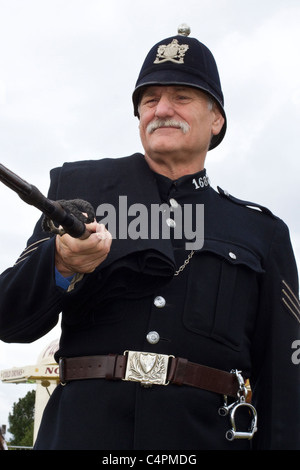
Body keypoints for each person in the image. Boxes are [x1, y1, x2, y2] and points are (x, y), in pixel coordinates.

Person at [0, 25, 299, 450]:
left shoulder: (261, 233)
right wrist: (62, 265)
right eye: (149, 99)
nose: (162, 109)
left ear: (217, 119)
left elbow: (283, 389)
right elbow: (8, 318)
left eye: (181, 96)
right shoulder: (79, 198)